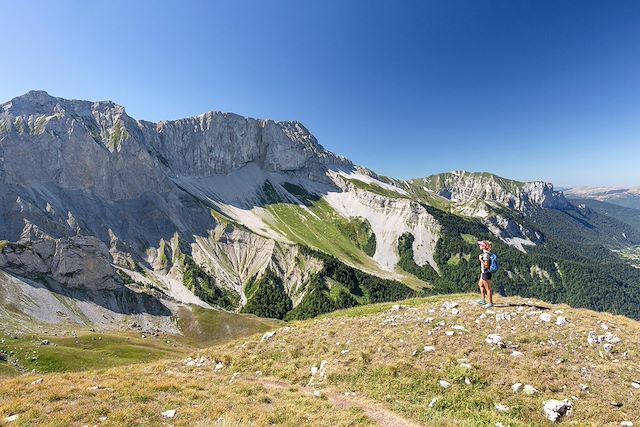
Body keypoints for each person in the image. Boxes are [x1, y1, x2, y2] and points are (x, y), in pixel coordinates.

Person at [476, 240, 494, 308]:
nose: (479, 246)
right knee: (480, 284)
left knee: (488, 288)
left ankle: (490, 303)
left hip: (486, 273)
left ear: (484, 246)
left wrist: (480, 260)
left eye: (480, 245)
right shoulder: (485, 254)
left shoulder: (486, 255)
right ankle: (483, 300)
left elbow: (486, 265)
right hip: (483, 272)